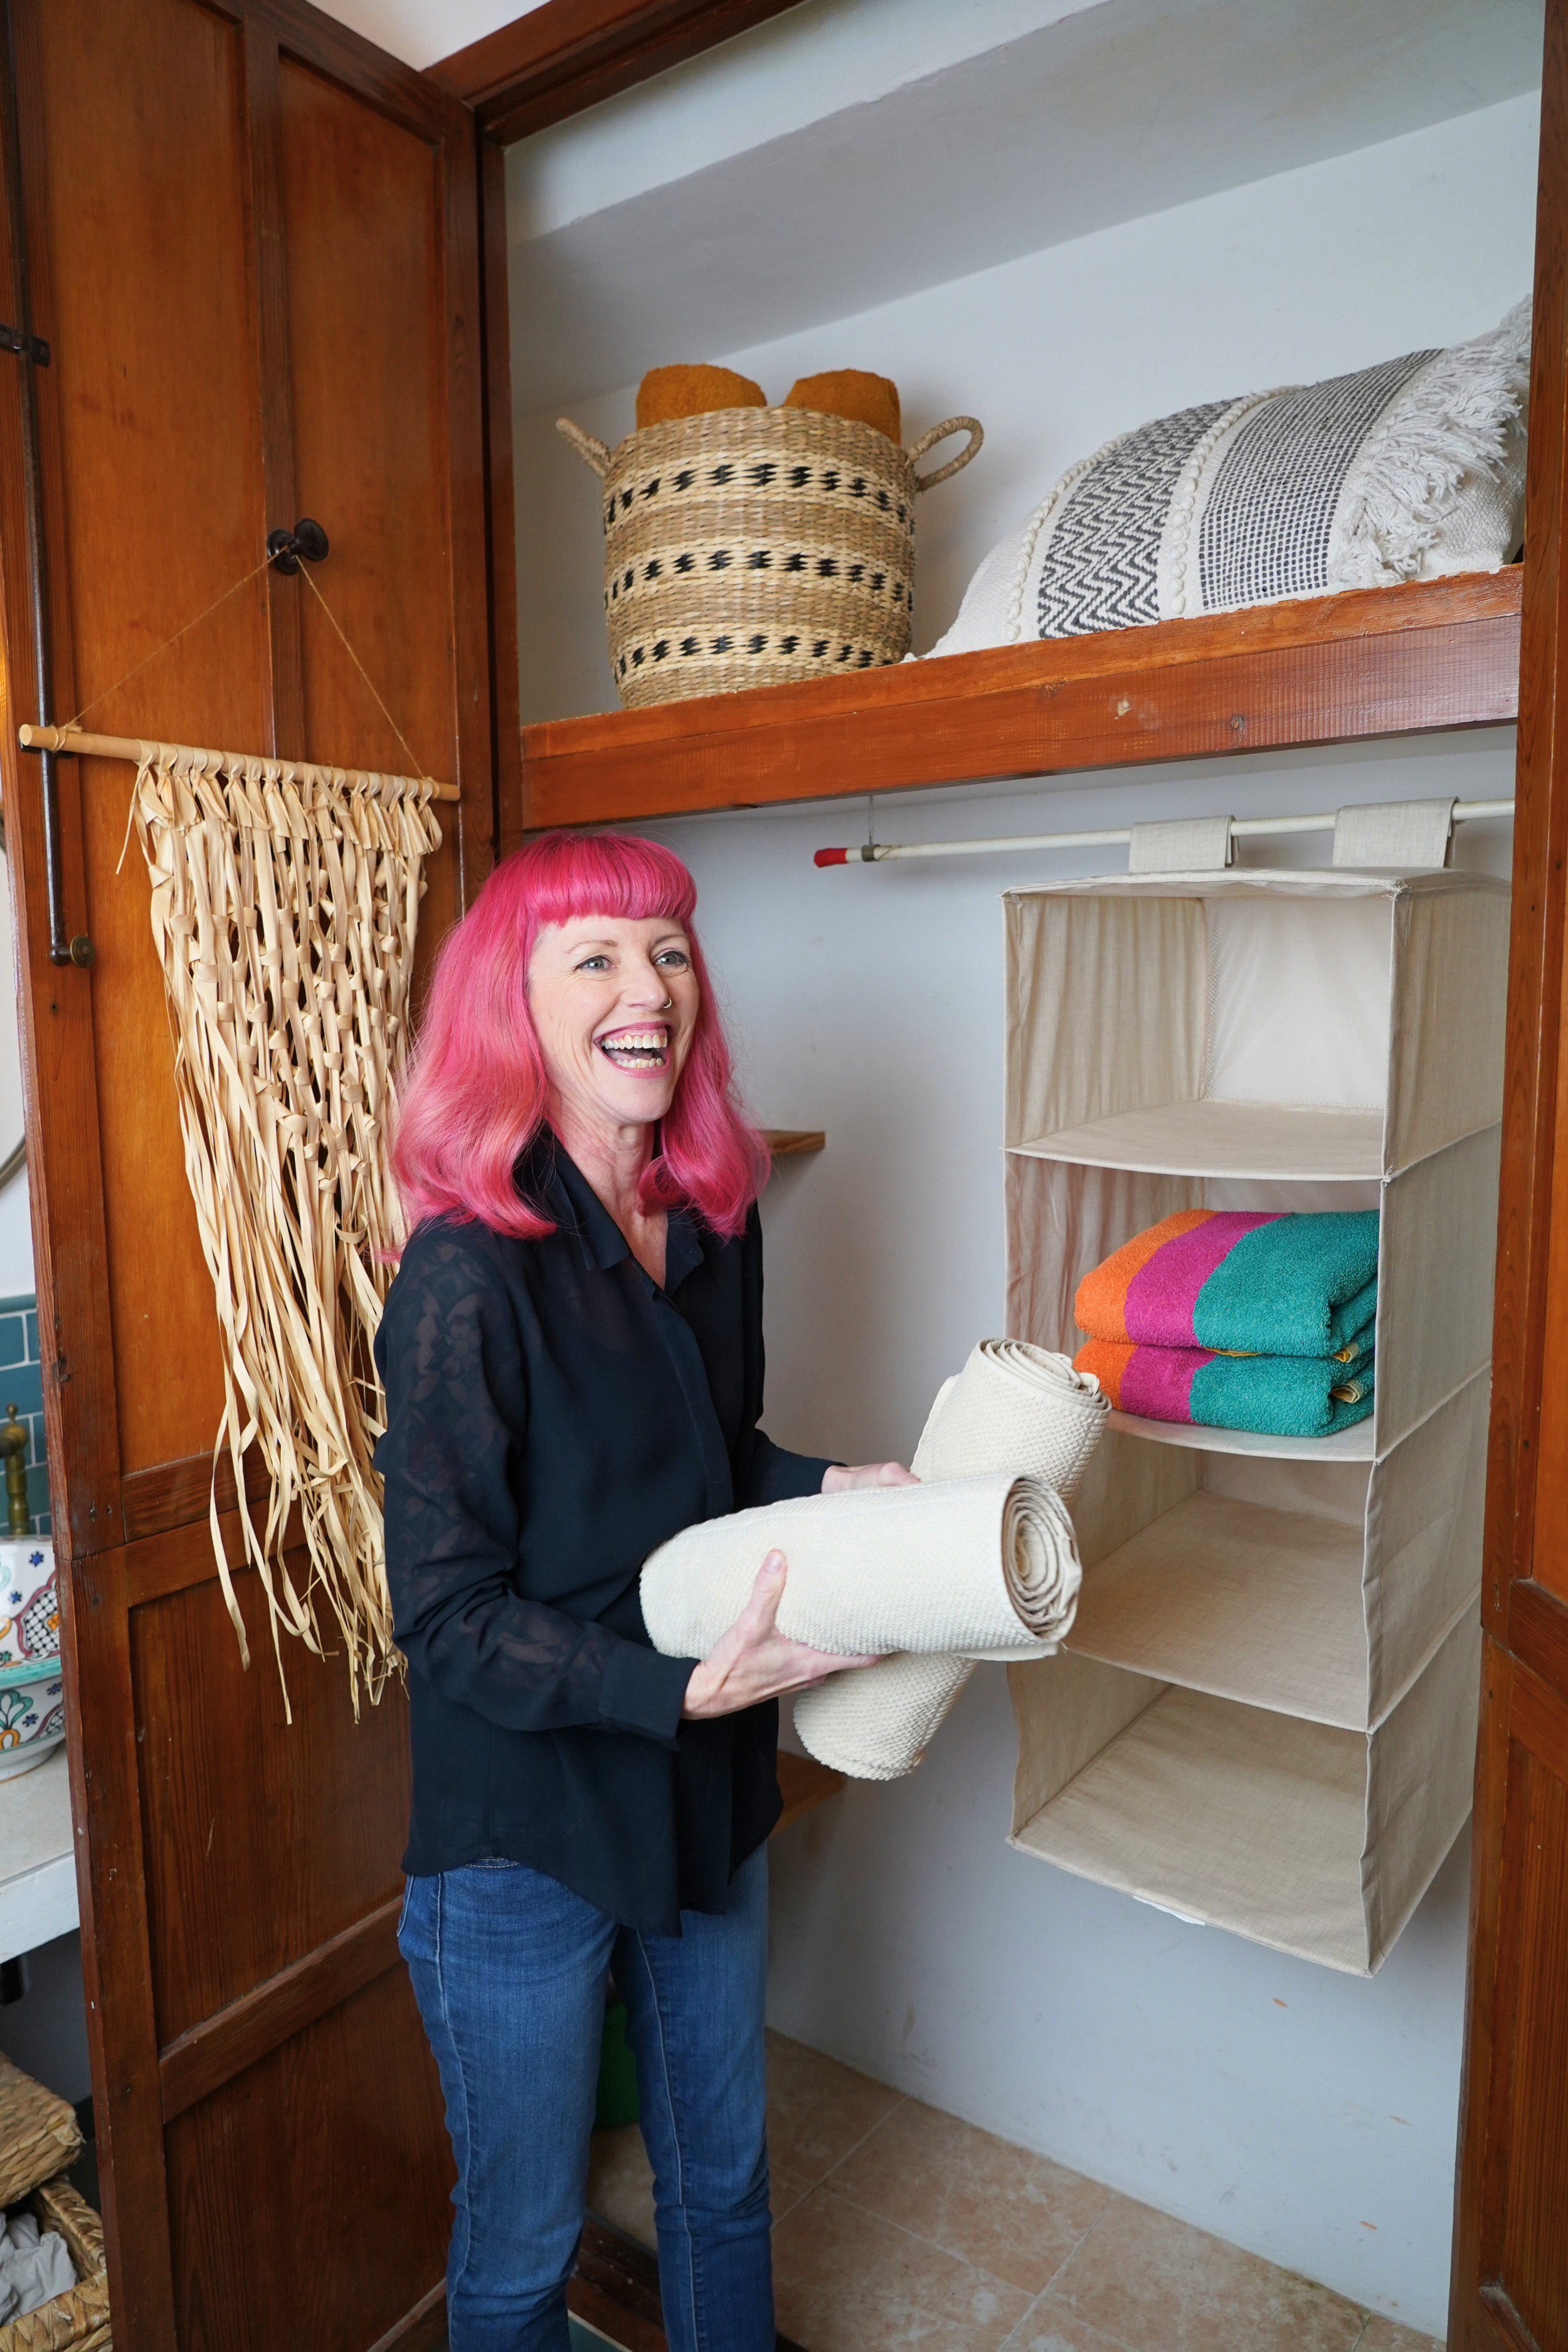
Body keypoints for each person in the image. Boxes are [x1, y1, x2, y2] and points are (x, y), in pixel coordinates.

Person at [375, 830, 914, 2352]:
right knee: (521, 2253)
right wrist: (674, 1688)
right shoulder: (464, 1273)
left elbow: (710, 1455)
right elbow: (447, 1616)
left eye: (669, 951)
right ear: (514, 1004)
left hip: (698, 1793)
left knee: (723, 2187)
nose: (648, 988)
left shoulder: (716, 1225)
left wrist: (827, 1486)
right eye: (596, 957)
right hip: (522, 1832)